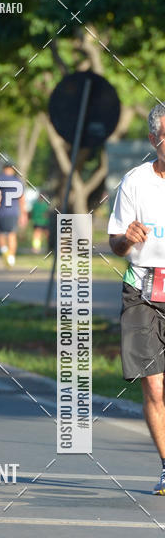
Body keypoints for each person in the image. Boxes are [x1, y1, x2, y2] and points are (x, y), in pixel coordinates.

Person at [108, 103, 165, 495]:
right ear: (153, 140)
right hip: (144, 289)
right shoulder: (135, 182)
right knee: (154, 387)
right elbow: (115, 244)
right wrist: (127, 238)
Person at [0, 163, 26, 266]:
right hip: (13, 211)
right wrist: (23, 214)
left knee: (1, 233)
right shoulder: (17, 181)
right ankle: (11, 257)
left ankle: (4, 250)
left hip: (0, 211)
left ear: (4, 169)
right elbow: (22, 199)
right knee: (12, 234)